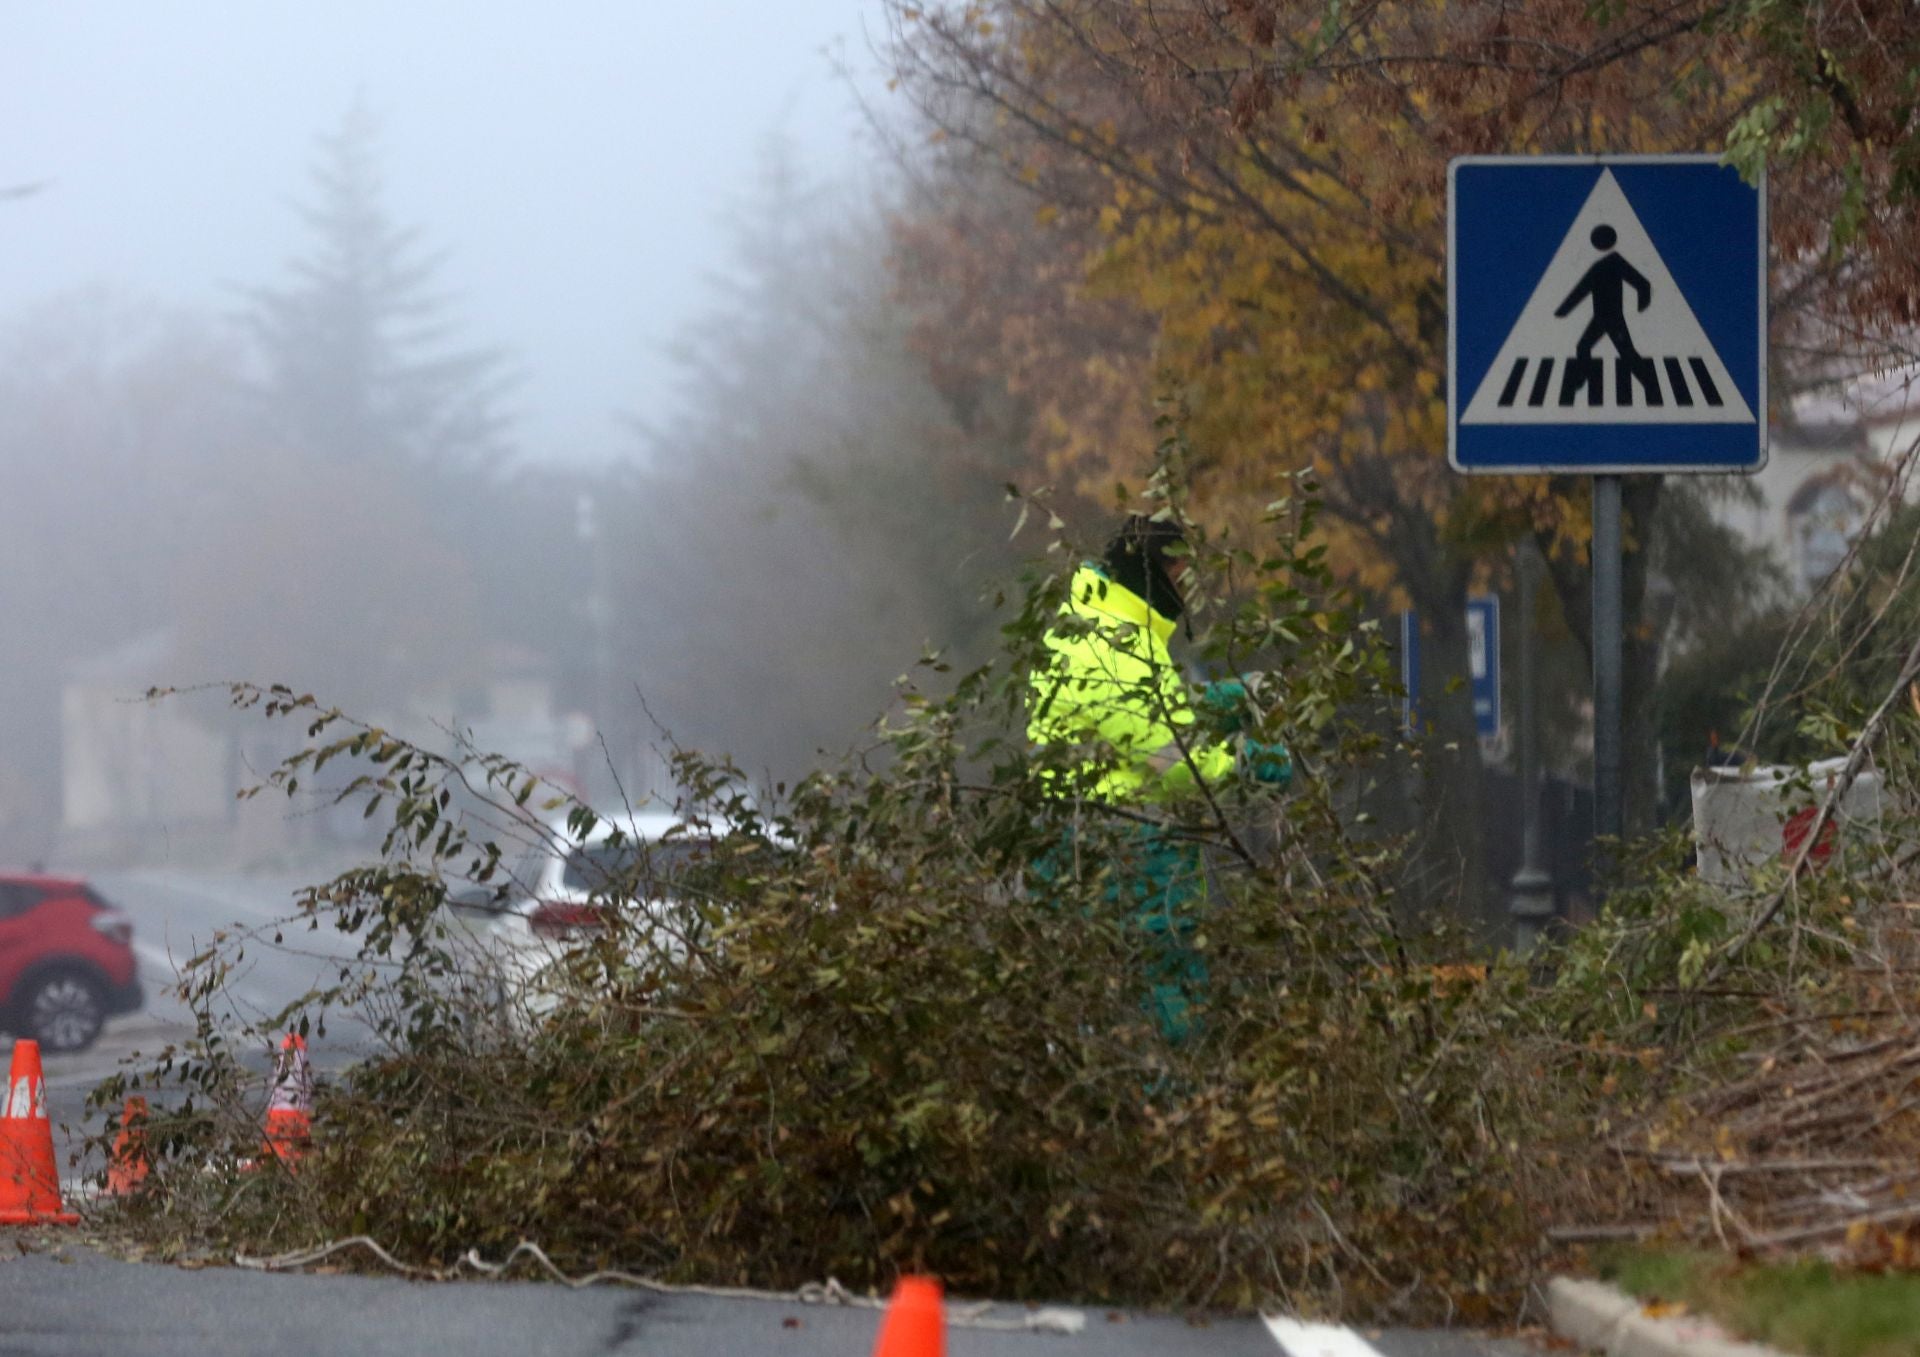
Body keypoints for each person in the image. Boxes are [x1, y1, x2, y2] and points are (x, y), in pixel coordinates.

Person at [1026, 514, 1290, 1043]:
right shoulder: (1112, 643)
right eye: (1179, 572)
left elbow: (1150, 716)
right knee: (1157, 1029)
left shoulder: (1107, 623)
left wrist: (1221, 700)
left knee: (1116, 1017)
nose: (1186, 587)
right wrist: (1244, 762)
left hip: (1105, 857)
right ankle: (1161, 1119)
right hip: (1119, 863)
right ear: (1151, 570)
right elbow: (1172, 759)